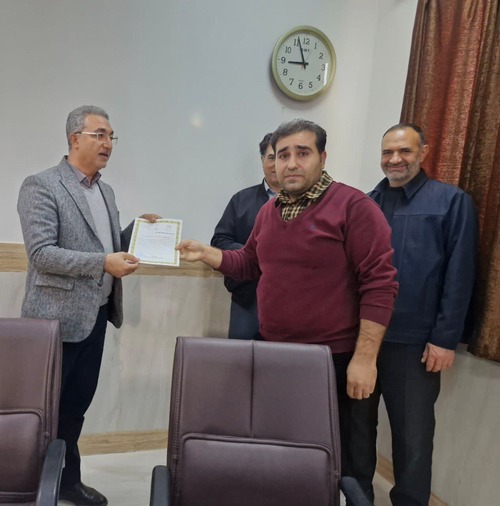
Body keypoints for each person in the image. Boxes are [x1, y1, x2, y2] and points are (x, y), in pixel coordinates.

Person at [177, 118, 399, 480]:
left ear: (322, 158)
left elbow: (380, 284)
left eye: (302, 153)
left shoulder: (354, 207)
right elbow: (249, 263)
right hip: (276, 354)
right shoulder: (270, 211)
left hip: (336, 359)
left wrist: (364, 359)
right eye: (283, 155)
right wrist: (207, 253)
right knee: (285, 452)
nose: (291, 163)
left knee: (348, 459)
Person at [17, 105, 159, 506]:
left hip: (95, 316)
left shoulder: (104, 191)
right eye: (100, 134)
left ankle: (67, 481)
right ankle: (29, 482)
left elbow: (105, 244)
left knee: (76, 408)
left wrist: (136, 231)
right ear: (74, 138)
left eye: (111, 136)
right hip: (54, 322)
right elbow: (42, 254)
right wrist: (102, 263)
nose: (108, 143)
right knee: (46, 410)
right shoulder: (41, 185)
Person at [353, 123, 477, 505]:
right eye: (387, 152)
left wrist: (444, 338)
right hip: (362, 342)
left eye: (404, 151)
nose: (395, 159)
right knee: (356, 432)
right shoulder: (366, 203)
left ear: (423, 152)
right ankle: (357, 499)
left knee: (413, 440)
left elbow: (460, 274)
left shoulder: (451, 202)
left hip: (415, 346)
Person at [210, 133, 281, 340]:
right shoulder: (241, 200)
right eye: (271, 157)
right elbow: (219, 241)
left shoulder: (307, 203)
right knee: (240, 357)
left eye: (282, 157)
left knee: (284, 357)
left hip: (289, 300)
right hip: (247, 298)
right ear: (262, 160)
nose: (276, 164)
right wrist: (251, 254)